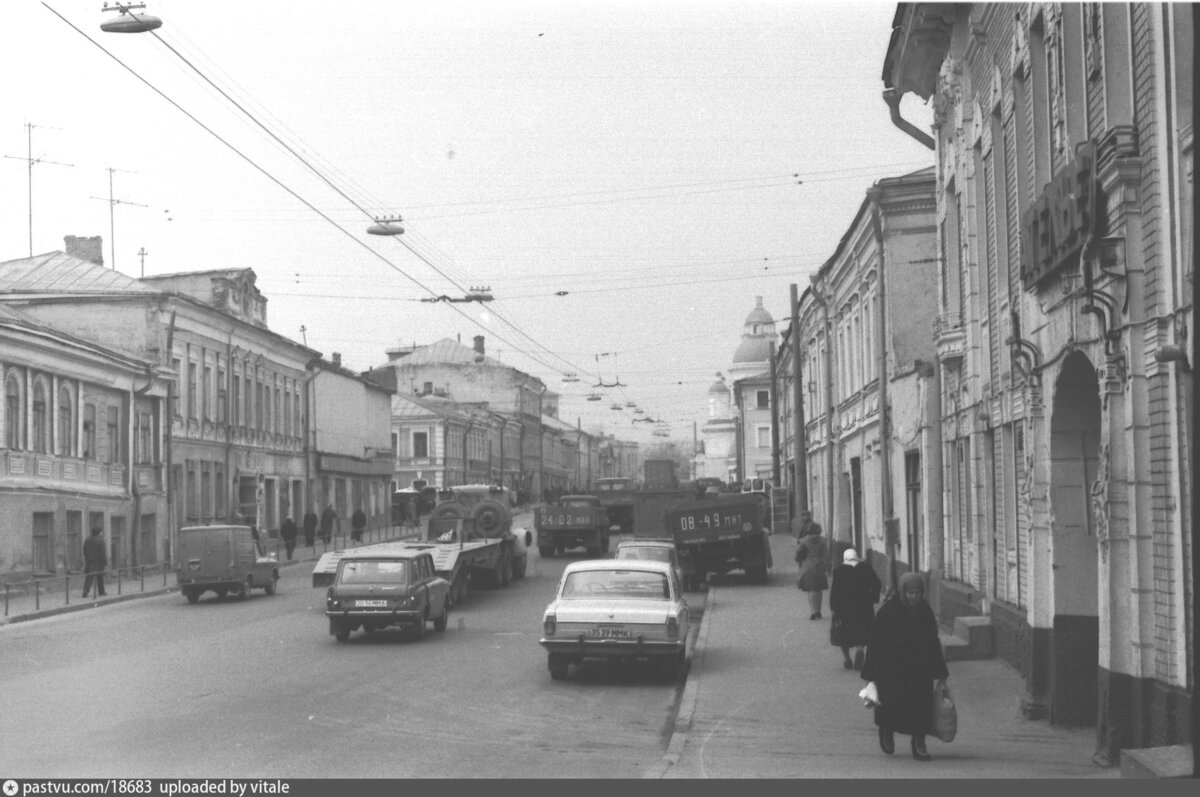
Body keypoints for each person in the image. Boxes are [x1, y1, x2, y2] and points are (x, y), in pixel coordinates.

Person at [859, 571, 949, 762]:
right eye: (910, 593)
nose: (913, 596)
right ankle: (886, 730)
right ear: (902, 592)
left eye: (917, 593)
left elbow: (933, 640)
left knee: (922, 705)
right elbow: (874, 642)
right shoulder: (888, 611)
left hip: (919, 669)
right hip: (892, 670)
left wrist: (940, 670)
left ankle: (919, 742)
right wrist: (870, 672)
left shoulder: (925, 611)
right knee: (892, 704)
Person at [829, 548, 881, 670]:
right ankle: (860, 648)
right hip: (864, 605)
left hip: (844, 607)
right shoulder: (866, 568)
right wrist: (874, 598)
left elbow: (835, 590)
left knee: (843, 632)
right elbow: (877, 583)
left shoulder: (839, 570)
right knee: (863, 629)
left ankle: (847, 659)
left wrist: (833, 607)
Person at [794, 518, 830, 619]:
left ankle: (813, 611)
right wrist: (828, 568)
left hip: (808, 567)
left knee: (811, 590)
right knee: (818, 590)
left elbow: (798, 552)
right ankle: (818, 610)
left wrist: (799, 561)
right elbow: (826, 555)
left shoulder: (804, 540)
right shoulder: (823, 541)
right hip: (819, 567)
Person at [82, 526, 108, 598]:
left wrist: (88, 558)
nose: (102, 533)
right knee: (100, 577)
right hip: (99, 562)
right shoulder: (101, 541)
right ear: (99, 533)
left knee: (89, 577)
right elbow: (103, 553)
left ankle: (85, 591)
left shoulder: (87, 540)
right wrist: (105, 562)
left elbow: (84, 551)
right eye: (101, 532)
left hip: (89, 562)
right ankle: (101, 592)